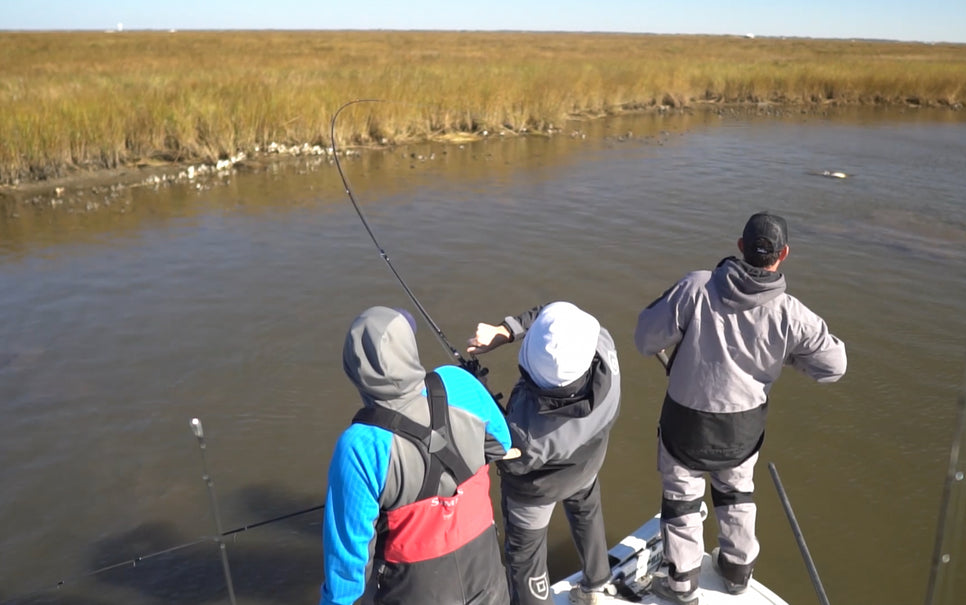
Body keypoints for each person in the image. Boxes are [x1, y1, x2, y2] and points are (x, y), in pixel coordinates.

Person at [634, 212, 847, 604]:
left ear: (739, 246)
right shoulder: (791, 313)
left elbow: (645, 339)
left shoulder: (694, 287)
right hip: (743, 431)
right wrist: (787, 357)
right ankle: (736, 572)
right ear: (783, 254)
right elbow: (834, 367)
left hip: (685, 425)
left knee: (682, 498)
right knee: (736, 493)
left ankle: (681, 585)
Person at [320, 306, 515, 605]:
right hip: (486, 580)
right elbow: (500, 444)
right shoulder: (458, 382)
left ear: (353, 370)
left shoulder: (358, 446)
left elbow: (349, 567)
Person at [467, 301, 621, 605]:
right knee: (586, 509)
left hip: (537, 490)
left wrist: (477, 390)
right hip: (587, 462)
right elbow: (555, 316)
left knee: (526, 558)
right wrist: (506, 330)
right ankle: (597, 583)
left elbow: (506, 456)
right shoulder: (602, 345)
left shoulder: (526, 431)